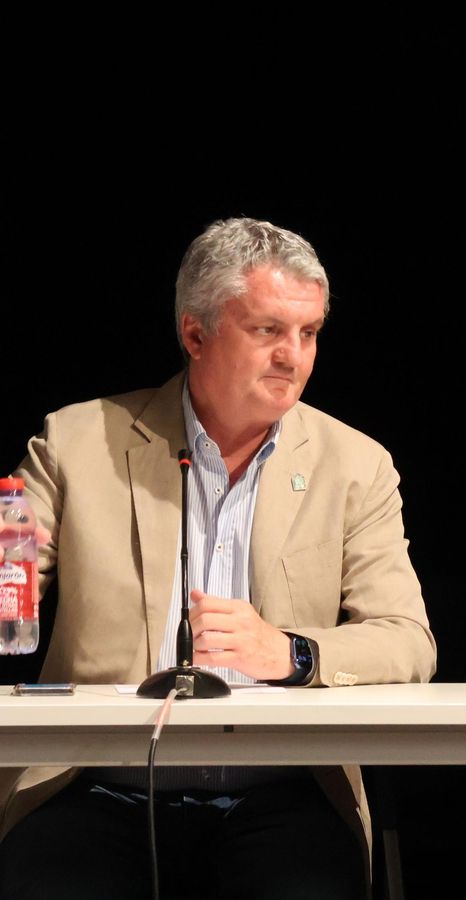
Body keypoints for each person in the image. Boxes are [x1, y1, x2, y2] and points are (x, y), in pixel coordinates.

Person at [0, 218, 437, 899]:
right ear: (196, 334)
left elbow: (407, 641)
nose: (293, 356)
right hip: (99, 789)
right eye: (268, 330)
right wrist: (9, 574)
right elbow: (9, 596)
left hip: (282, 795)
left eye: (309, 332)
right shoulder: (74, 443)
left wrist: (292, 654)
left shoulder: (356, 465)